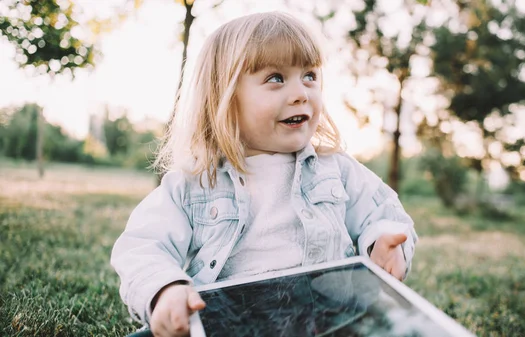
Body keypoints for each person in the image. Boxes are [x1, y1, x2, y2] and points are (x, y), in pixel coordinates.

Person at [111, 11, 418, 337]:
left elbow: (384, 214)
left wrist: (383, 241)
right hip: (229, 324)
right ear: (225, 98)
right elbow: (143, 245)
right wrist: (165, 289)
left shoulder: (337, 170)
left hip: (327, 321)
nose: (302, 92)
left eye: (310, 75)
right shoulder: (194, 183)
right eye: (276, 78)